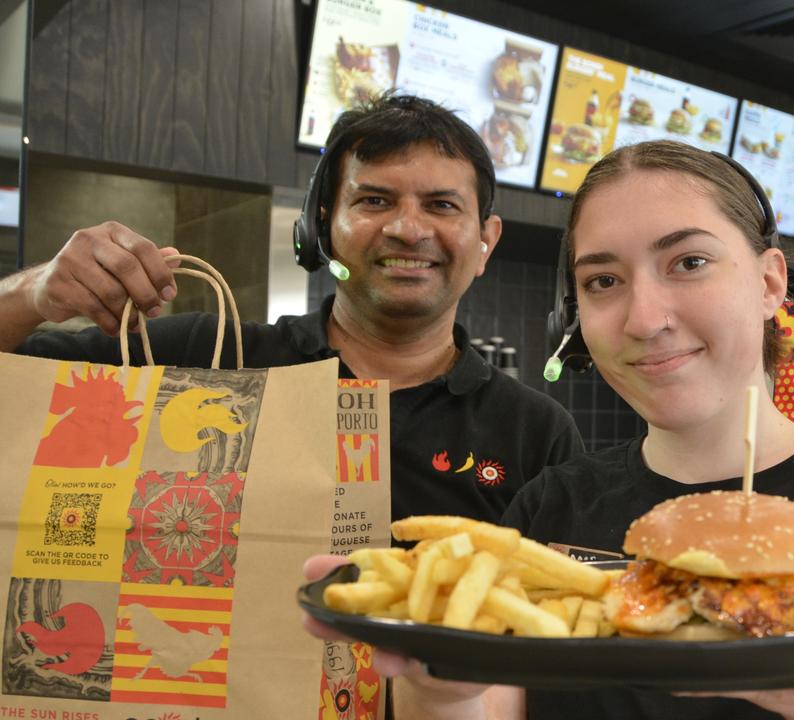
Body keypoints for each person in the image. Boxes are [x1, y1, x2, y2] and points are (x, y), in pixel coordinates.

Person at [305, 140, 794, 719]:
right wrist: (435, 690)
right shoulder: (551, 505)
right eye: (603, 281)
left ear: (769, 282)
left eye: (688, 262)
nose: (643, 318)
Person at [0, 94, 582, 524]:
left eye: (442, 205)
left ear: (486, 241)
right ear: (321, 227)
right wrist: (32, 293)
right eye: (374, 200)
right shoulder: (207, 357)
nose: (409, 229)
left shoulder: (536, 431)